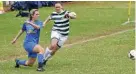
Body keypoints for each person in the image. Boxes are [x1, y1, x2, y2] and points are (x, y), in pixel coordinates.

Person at [43, 2, 76, 66]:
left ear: (62, 7)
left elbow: (73, 16)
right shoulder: (54, 14)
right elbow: (49, 17)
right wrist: (44, 22)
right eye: (56, 7)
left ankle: (45, 60)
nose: (57, 8)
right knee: (53, 45)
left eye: (58, 7)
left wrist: (71, 16)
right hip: (56, 31)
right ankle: (42, 58)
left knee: (55, 50)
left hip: (64, 35)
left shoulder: (66, 13)